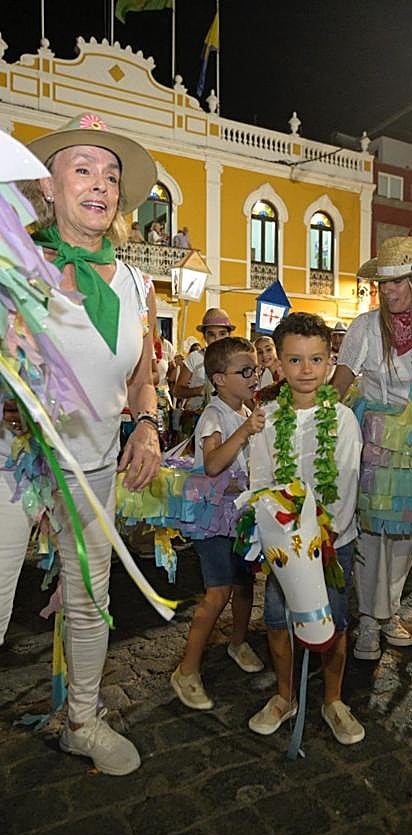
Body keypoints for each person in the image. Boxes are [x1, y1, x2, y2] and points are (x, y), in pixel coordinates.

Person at [0, 113, 161, 775]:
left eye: (111, 174)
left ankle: (83, 721)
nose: (100, 184)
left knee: (92, 601)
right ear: (49, 187)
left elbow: (144, 375)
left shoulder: (135, 284)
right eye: (83, 168)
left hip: (93, 469)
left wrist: (147, 424)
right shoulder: (13, 266)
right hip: (11, 466)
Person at [331, 236, 412, 660]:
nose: (387, 291)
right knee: (370, 533)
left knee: (406, 534)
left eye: (398, 282)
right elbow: (340, 384)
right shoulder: (365, 327)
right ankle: (369, 619)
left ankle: (389, 613)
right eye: (383, 283)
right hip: (371, 442)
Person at [248, 313, 365, 745]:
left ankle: (333, 699)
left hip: (332, 541)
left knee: (333, 619)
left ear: (330, 361)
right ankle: (285, 695)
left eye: (316, 359)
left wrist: (324, 532)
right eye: (295, 360)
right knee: (278, 618)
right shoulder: (266, 418)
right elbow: (260, 480)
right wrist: (276, 531)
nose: (306, 370)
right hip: (283, 544)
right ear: (278, 361)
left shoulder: (344, 420)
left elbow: (347, 482)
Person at [171, 337, 266, 710]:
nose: (254, 376)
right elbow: (212, 464)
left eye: (255, 369)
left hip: (240, 515)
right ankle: (187, 669)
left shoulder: (244, 412)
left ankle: (238, 641)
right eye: (245, 371)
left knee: (244, 585)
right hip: (213, 517)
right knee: (217, 592)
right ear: (218, 379)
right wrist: (244, 433)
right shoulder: (214, 415)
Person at [173, 308, 234, 438]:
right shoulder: (195, 358)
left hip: (226, 420)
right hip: (196, 420)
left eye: (222, 333)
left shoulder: (235, 359)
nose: (217, 339)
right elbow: (177, 391)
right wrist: (199, 391)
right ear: (205, 336)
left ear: (229, 335)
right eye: (211, 334)